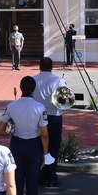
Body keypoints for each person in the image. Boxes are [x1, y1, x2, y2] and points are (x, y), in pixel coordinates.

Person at [0, 76, 49, 195]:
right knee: (32, 184)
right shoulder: (40, 107)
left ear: (20, 88)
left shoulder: (12, 106)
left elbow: (0, 129)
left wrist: (10, 131)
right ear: (33, 89)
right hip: (34, 145)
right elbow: (44, 133)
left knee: (17, 182)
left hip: (17, 144)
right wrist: (45, 154)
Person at [31, 57, 67, 188]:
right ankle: (51, 177)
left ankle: (40, 175)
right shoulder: (58, 81)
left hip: (37, 117)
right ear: (52, 67)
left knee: (39, 147)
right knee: (53, 148)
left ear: (40, 66)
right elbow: (65, 100)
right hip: (54, 116)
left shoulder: (33, 80)